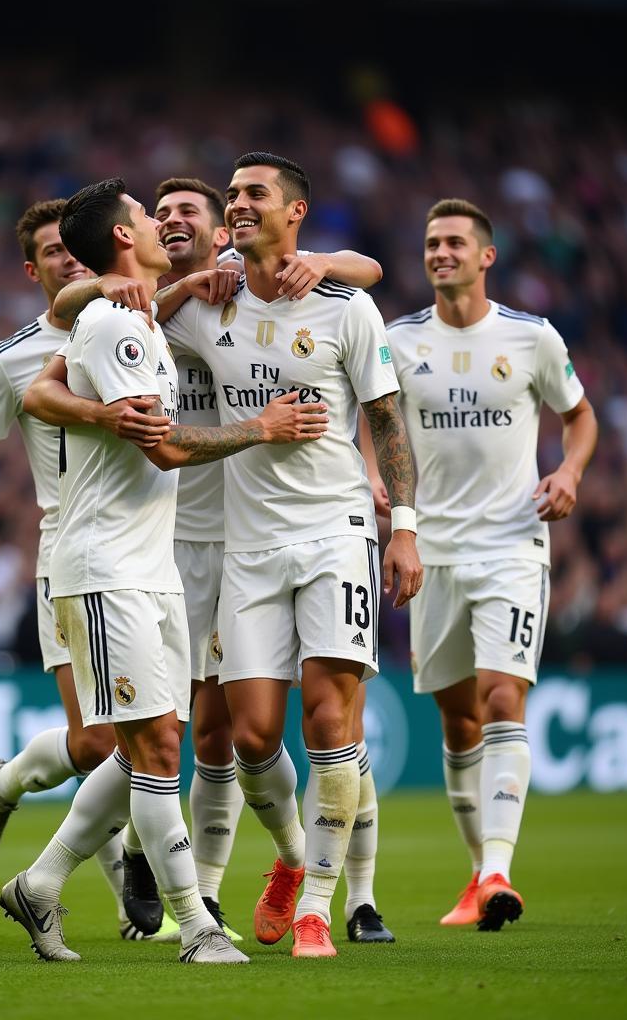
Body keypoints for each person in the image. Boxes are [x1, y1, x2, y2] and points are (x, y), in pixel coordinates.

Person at [55, 176, 394, 944]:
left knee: (324, 719)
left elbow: (369, 276)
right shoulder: (169, 311)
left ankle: (342, 896)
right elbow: (69, 317)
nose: (168, 219)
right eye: (157, 211)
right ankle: (191, 878)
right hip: (188, 544)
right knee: (216, 736)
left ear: (222, 235)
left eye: (187, 212)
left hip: (295, 529)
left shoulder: (293, 293)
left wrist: (332, 259)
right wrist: (133, 287)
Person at [6, 176, 327, 964]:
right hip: (106, 568)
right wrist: (263, 426)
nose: (158, 223)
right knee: (153, 750)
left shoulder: (136, 317)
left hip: (150, 569)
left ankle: (41, 885)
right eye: (147, 217)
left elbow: (54, 382)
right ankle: (198, 924)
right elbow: (167, 445)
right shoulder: (115, 323)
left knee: (154, 742)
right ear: (122, 237)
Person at [150, 152, 421, 958]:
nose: (236, 204)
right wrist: (183, 287)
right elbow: (118, 324)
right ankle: (294, 859)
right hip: (250, 546)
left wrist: (402, 526)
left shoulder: (346, 308)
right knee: (254, 737)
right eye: (229, 194)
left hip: (336, 532)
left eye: (251, 194)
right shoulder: (211, 306)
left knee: (332, 718)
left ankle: (320, 910)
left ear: (294, 213)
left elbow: (390, 422)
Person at [374, 198, 597, 930]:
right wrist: (373, 480)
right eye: (432, 242)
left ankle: (498, 868)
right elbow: (371, 421)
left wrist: (568, 474)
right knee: (458, 720)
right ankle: (480, 875)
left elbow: (581, 415)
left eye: (455, 243)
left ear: (485, 256)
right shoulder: (401, 340)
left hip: (511, 541)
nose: (441, 253)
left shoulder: (530, 338)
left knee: (505, 697)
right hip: (430, 549)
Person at [0, 199, 165, 939]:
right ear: (33, 268)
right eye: (50, 253)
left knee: (134, 738)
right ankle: (10, 789)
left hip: (147, 551)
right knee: (106, 742)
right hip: (67, 555)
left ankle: (70, 853)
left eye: (72, 250)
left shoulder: (138, 316)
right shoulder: (14, 355)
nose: (67, 262)